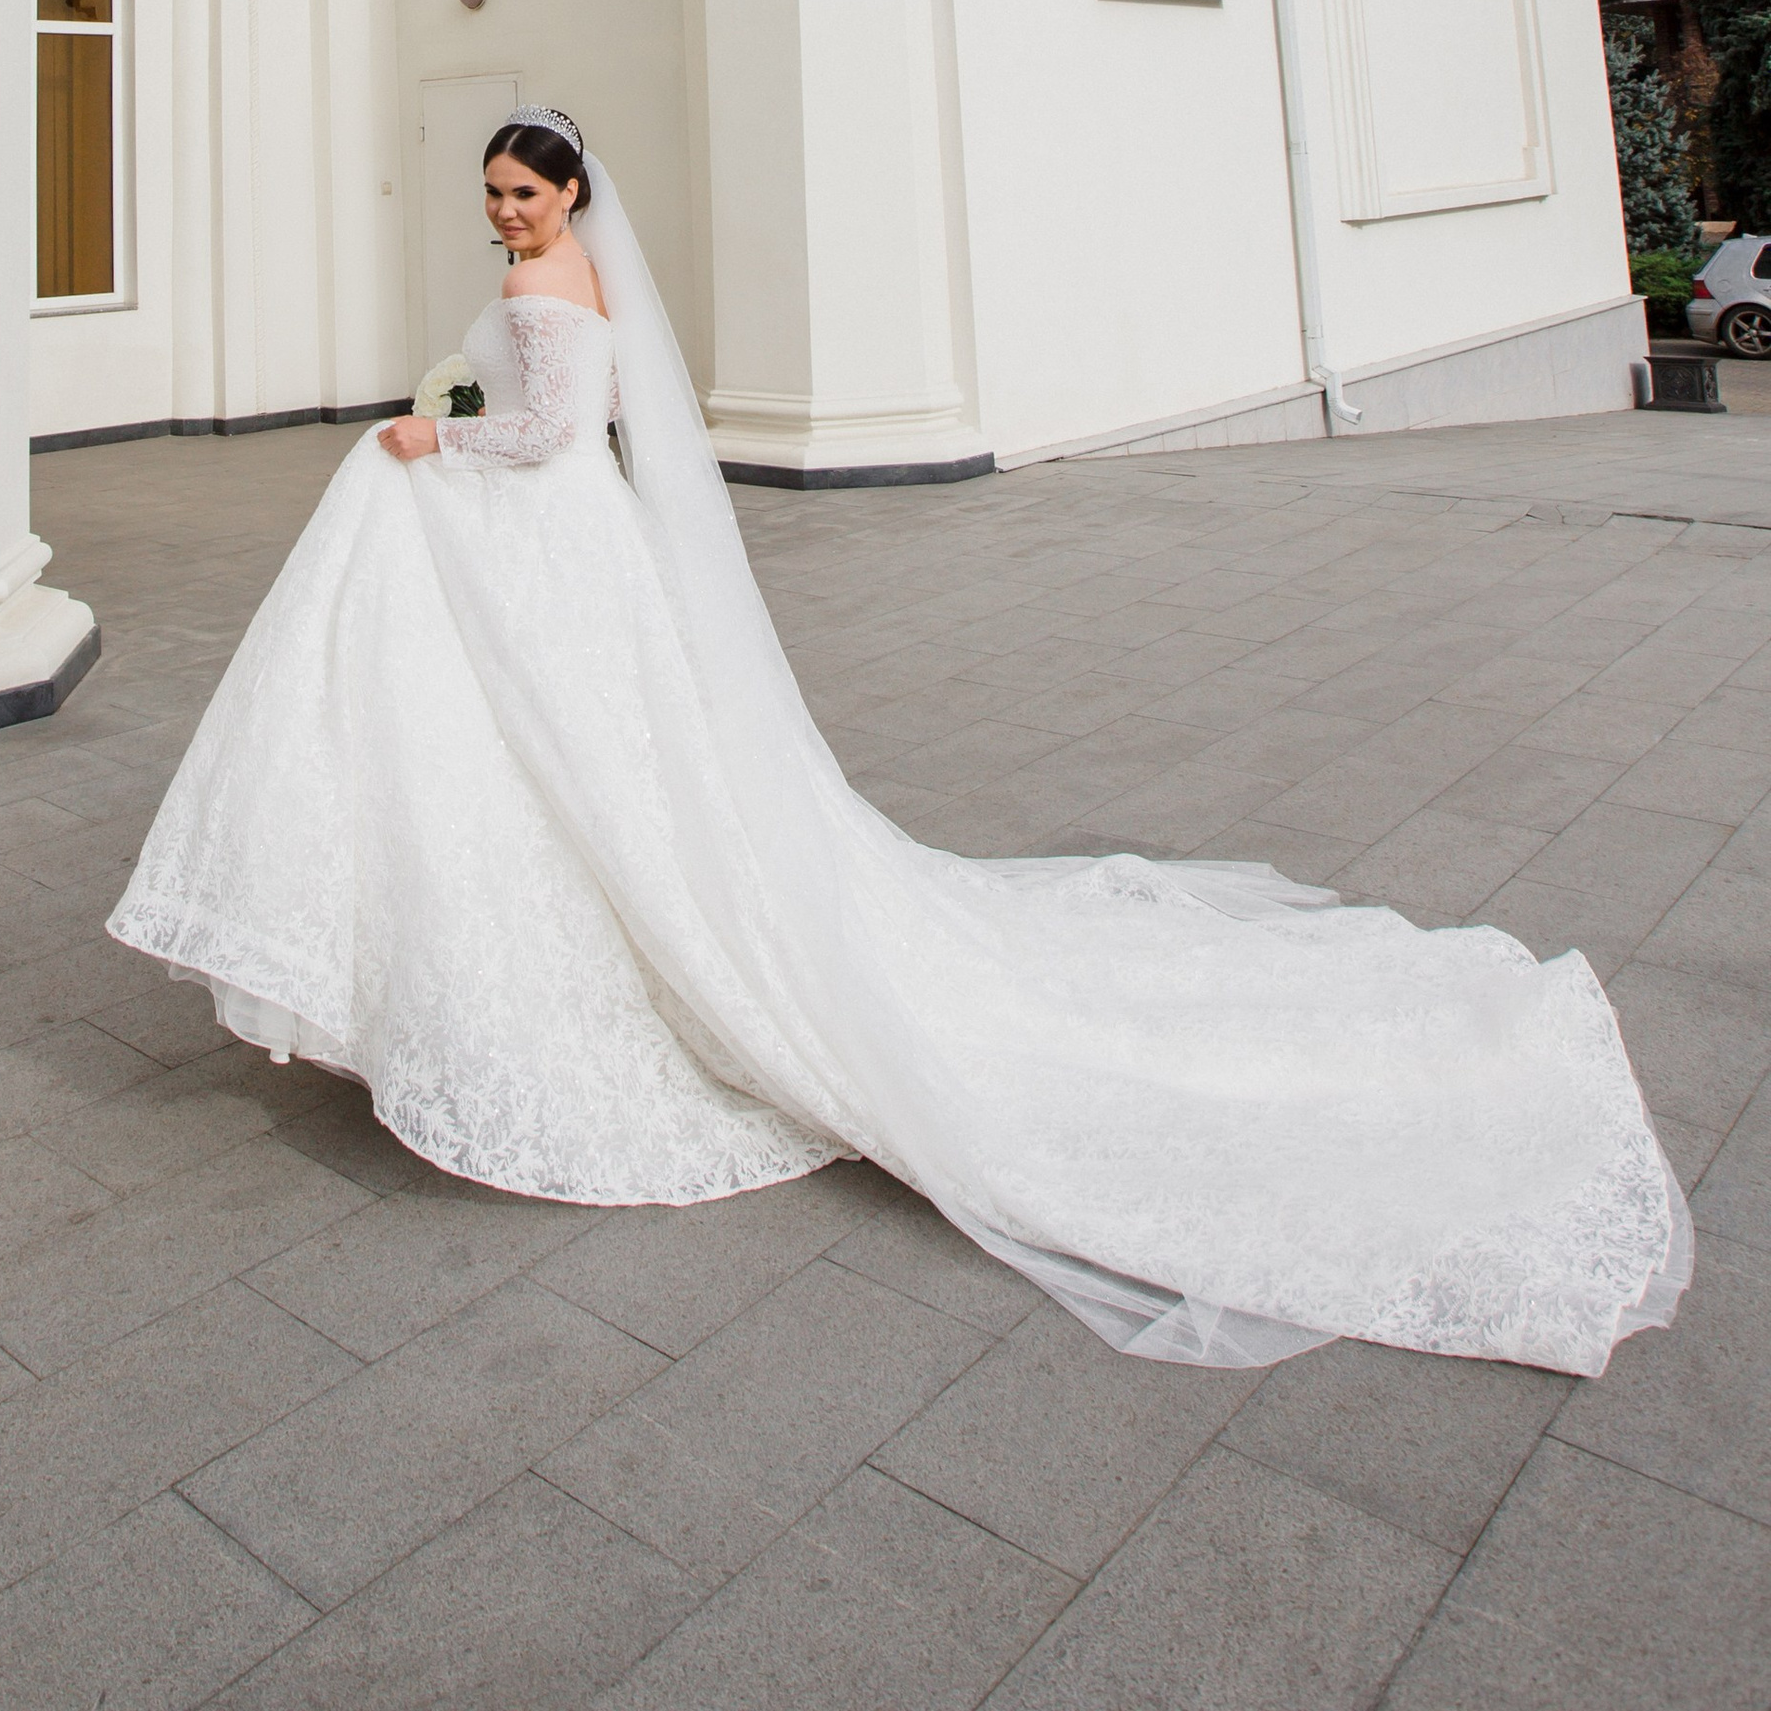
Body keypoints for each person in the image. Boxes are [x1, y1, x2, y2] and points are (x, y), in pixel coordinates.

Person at [109, 107, 1689, 1372]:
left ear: (569, 190)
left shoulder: (539, 290)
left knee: (570, 755)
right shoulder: (582, 275)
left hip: (554, 530)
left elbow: (539, 435)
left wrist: (428, 429)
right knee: (608, 761)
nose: (504, 213)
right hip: (591, 546)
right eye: (492, 194)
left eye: (522, 191)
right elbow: (581, 424)